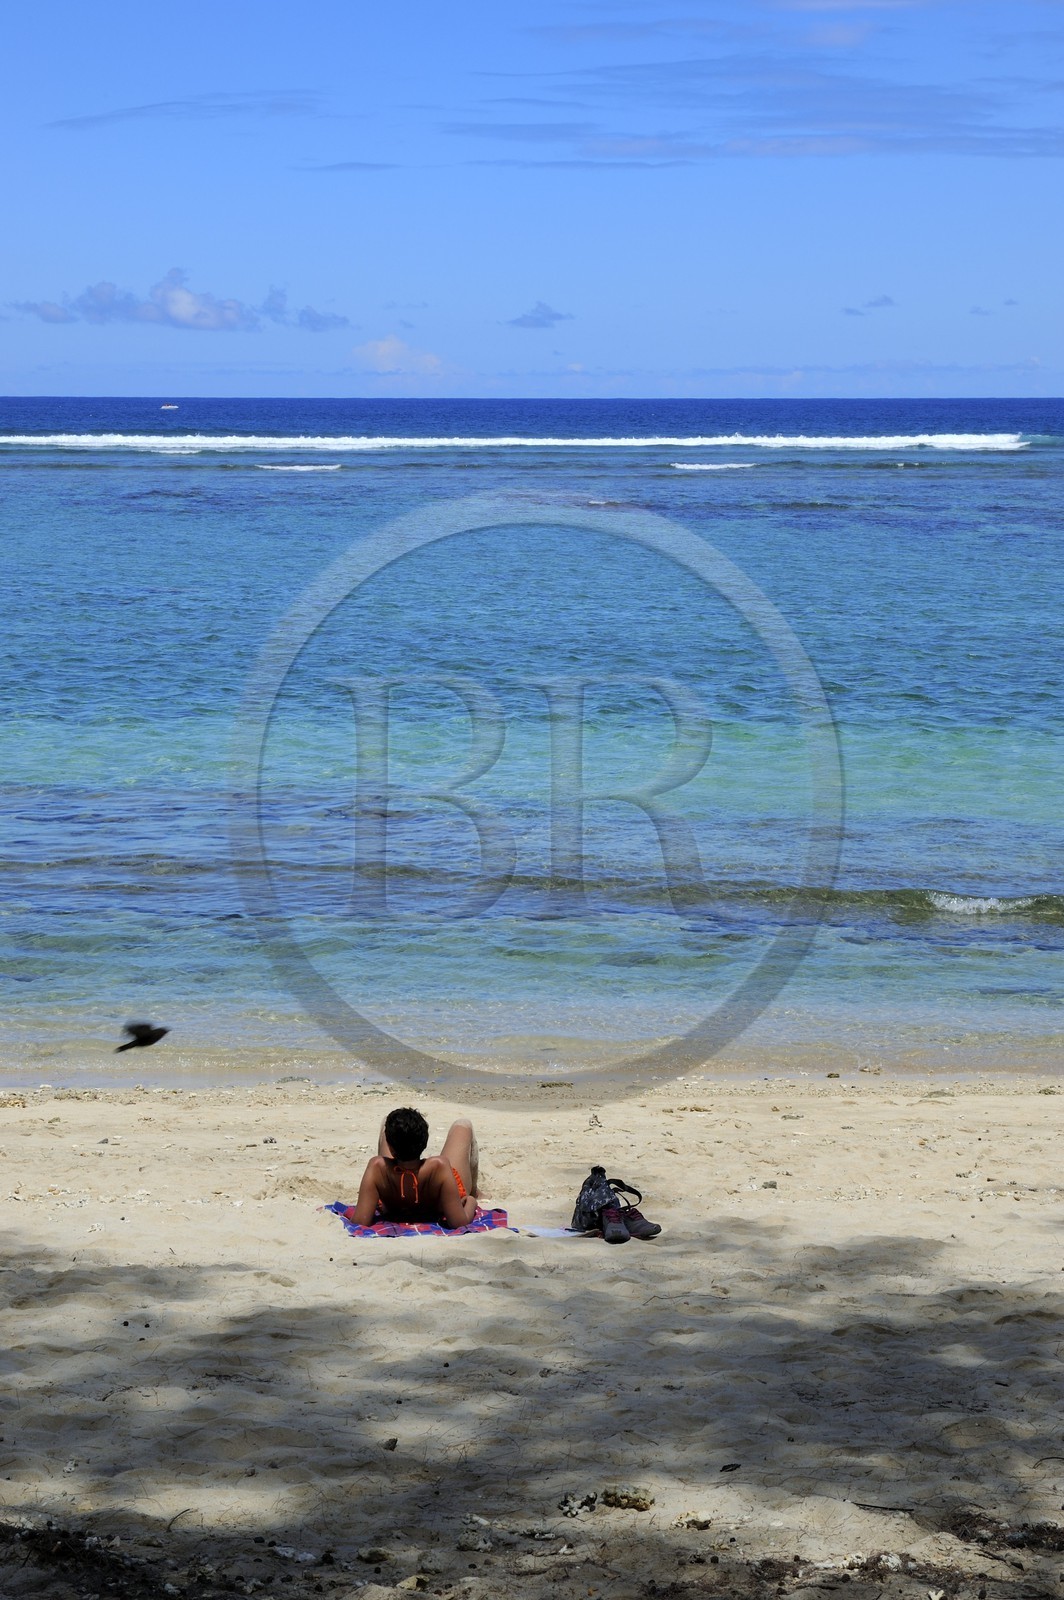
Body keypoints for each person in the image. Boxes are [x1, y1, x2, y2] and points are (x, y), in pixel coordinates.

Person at [349, 1107, 479, 1228]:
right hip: (437, 1205)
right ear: (425, 1142)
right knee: (463, 1125)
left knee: (387, 1125)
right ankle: (475, 1191)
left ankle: (395, 1143)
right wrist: (472, 1201)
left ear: (391, 1149)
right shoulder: (439, 1166)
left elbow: (360, 1221)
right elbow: (459, 1222)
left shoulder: (377, 1167)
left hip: (395, 1205)